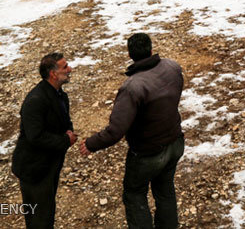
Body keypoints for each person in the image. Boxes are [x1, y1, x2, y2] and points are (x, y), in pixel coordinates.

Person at [80, 34, 185, 229]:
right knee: (165, 190)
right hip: (176, 142)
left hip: (148, 153)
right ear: (151, 50)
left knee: (135, 195)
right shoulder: (172, 67)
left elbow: (116, 130)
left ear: (129, 54)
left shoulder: (132, 87)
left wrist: (90, 143)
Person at [11, 53, 75, 229]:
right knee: (40, 219)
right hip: (34, 169)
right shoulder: (36, 100)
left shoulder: (59, 95)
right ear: (53, 74)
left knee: (46, 214)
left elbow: (62, 120)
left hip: (48, 165)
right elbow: (35, 136)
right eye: (65, 67)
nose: (70, 69)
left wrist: (68, 130)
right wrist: (65, 139)